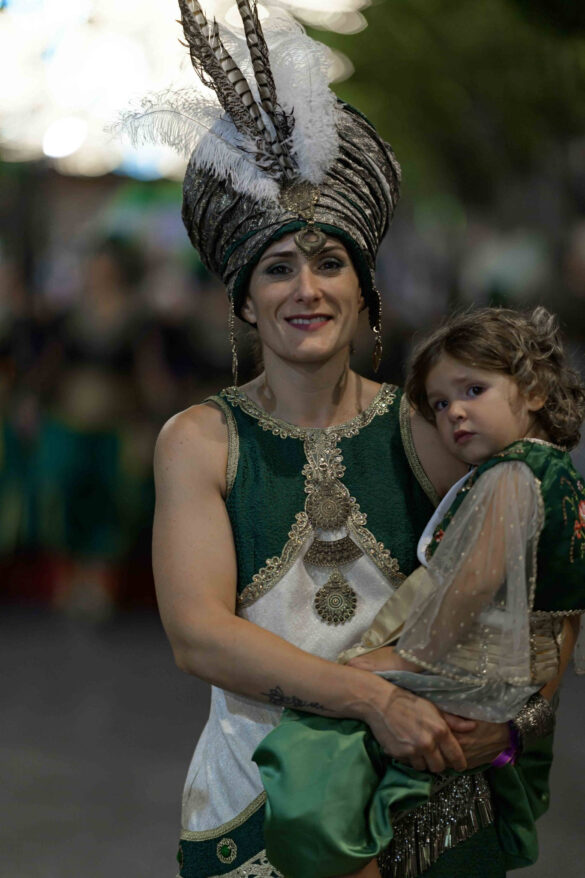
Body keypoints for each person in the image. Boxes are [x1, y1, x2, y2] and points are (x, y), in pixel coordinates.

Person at [129, 3, 579, 876]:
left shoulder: (432, 428)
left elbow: (549, 571)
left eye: (329, 263)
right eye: (278, 268)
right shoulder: (201, 440)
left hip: (418, 796)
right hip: (252, 802)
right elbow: (199, 636)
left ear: (363, 287)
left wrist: (514, 720)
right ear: (244, 299)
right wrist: (372, 699)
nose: (307, 290)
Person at [254, 306, 585, 877]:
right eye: (439, 403)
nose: (455, 411)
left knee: (313, 745)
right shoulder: (562, 479)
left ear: (534, 391)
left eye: (474, 389)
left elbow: (468, 588)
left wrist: (402, 660)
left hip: (469, 671)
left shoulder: (510, 476)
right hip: (521, 681)